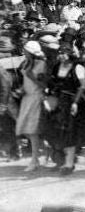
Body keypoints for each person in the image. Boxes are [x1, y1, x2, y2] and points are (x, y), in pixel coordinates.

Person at [44, 42, 85, 175]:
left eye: (64, 53)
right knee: (55, 131)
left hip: (72, 103)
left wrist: (75, 103)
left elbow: (82, 87)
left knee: (69, 133)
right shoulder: (56, 67)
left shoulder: (77, 67)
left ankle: (69, 164)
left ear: (70, 54)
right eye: (60, 53)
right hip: (58, 102)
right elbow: (53, 84)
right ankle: (60, 161)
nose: (61, 56)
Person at [14, 40, 47, 172]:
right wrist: (21, 89)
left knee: (32, 130)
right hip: (27, 98)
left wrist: (32, 77)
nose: (24, 51)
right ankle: (42, 153)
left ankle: (35, 160)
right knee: (26, 130)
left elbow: (44, 85)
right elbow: (26, 80)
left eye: (26, 50)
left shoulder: (42, 64)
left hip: (36, 98)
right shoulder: (26, 63)